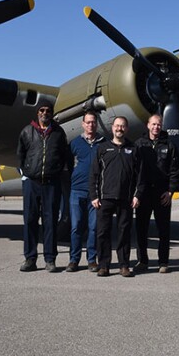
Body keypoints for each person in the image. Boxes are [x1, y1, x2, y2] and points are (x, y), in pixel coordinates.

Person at [17, 101, 69, 272]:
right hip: (31, 183)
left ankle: (50, 259)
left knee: (51, 222)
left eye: (48, 111)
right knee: (30, 220)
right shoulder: (26, 131)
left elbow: (64, 155)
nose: (45, 113)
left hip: (51, 183)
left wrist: (57, 172)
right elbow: (20, 154)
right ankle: (30, 259)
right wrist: (25, 174)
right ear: (37, 112)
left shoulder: (59, 133)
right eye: (42, 110)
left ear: (52, 113)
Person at [89, 116, 144, 278]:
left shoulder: (133, 149)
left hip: (126, 198)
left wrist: (137, 195)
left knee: (124, 232)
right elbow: (94, 174)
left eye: (123, 126)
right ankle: (104, 265)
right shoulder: (103, 148)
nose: (119, 129)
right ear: (112, 127)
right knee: (103, 232)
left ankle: (124, 265)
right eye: (117, 126)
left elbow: (140, 176)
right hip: (105, 198)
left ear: (126, 129)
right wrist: (94, 195)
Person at [134, 114, 179, 274]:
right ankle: (142, 260)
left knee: (164, 229)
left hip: (162, 193)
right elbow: (134, 170)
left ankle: (163, 261)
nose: (156, 127)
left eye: (159, 125)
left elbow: (175, 169)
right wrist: (136, 193)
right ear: (148, 125)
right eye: (153, 124)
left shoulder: (169, 145)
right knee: (141, 229)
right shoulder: (139, 145)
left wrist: (170, 192)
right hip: (144, 193)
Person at [65, 110, 105, 273]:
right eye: (88, 122)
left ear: (97, 124)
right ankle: (73, 260)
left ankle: (91, 260)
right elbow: (67, 165)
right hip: (77, 191)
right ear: (83, 124)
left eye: (93, 122)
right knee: (76, 226)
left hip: (95, 192)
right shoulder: (74, 143)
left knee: (94, 227)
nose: (90, 125)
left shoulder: (104, 143)